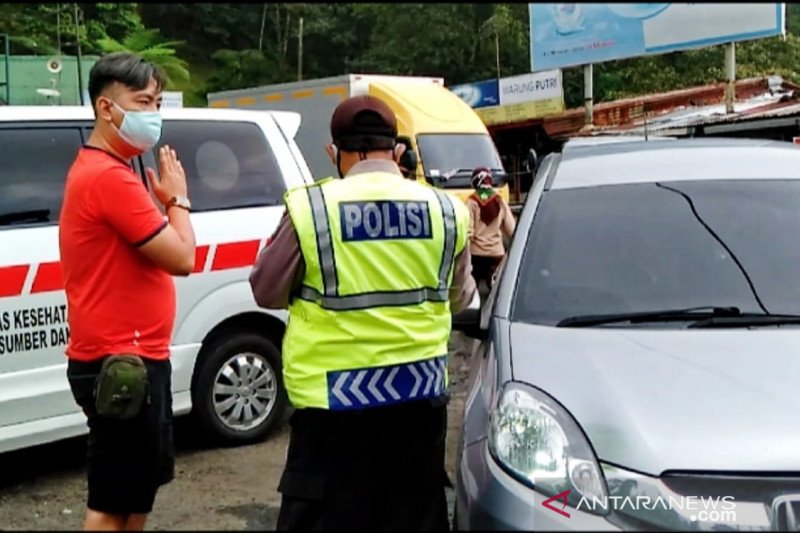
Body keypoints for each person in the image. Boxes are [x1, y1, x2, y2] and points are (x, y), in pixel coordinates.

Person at [249, 94, 476, 530]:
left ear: (334, 153)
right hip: (418, 403)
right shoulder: (446, 209)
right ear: (397, 151)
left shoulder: (312, 208)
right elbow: (461, 297)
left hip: (334, 408)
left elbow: (266, 291)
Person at [58, 52, 196, 531]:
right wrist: (178, 198)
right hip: (122, 363)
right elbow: (182, 257)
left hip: (134, 357)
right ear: (106, 108)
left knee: (135, 492)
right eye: (142, 102)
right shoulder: (108, 177)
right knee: (113, 499)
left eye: (157, 102)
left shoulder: (111, 169)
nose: (153, 114)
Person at [465, 166, 516, 297]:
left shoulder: (471, 201)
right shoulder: (499, 200)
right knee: (497, 292)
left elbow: (468, 231)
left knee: (471, 293)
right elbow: (511, 229)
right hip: (496, 254)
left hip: (476, 255)